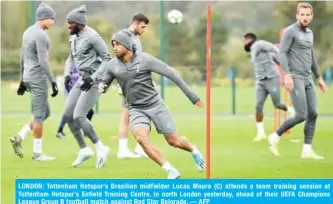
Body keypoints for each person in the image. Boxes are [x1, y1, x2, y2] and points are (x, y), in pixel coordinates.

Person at [98, 30, 205, 179]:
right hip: (136, 108)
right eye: (113, 45)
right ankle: (170, 170)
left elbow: (171, 74)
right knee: (141, 139)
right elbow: (104, 83)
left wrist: (192, 96)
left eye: (118, 44)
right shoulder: (112, 65)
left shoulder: (145, 60)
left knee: (173, 141)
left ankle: (193, 150)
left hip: (155, 105)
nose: (114, 47)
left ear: (127, 45)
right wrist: (101, 87)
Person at [268, 2, 328, 159]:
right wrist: (287, 75)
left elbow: (311, 56)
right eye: (302, 14)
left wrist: (319, 78)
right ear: (297, 15)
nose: (305, 17)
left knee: (313, 113)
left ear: (312, 17)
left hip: (308, 78)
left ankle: (307, 150)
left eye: (308, 15)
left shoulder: (310, 34)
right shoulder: (290, 31)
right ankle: (274, 136)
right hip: (295, 78)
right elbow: (282, 53)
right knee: (301, 114)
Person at [62, 5, 111, 168]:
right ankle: (84, 150)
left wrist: (94, 77)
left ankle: (101, 148)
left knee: (79, 116)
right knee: (68, 115)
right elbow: (70, 58)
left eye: (71, 23)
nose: (68, 26)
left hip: (95, 80)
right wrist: (67, 73)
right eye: (68, 22)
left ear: (80, 23)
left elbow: (107, 58)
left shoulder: (93, 36)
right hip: (82, 79)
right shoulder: (73, 36)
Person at [10, 2, 58, 161]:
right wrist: (53, 81)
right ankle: (37, 153)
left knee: (46, 112)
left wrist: (22, 80)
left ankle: (20, 136)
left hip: (29, 77)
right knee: (39, 115)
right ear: (43, 18)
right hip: (38, 78)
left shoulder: (27, 32)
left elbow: (22, 57)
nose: (53, 21)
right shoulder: (41, 35)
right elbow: (44, 62)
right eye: (51, 18)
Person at [243, 33, 295, 142]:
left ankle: (291, 110)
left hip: (272, 79)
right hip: (260, 81)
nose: (243, 42)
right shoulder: (258, 52)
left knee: (277, 104)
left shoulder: (258, 44)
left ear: (250, 39)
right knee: (258, 106)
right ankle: (260, 133)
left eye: (245, 40)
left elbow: (272, 48)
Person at [116, 13, 150, 159]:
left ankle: (138, 147)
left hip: (138, 81)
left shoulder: (136, 38)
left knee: (142, 113)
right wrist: (120, 83)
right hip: (129, 82)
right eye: (142, 27)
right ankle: (124, 150)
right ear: (135, 23)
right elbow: (118, 59)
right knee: (127, 116)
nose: (144, 30)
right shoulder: (125, 36)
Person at [55, 63, 94, 139]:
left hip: (78, 90)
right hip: (70, 90)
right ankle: (59, 131)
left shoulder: (82, 60)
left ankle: (85, 130)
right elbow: (70, 76)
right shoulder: (70, 62)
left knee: (90, 111)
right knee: (68, 112)